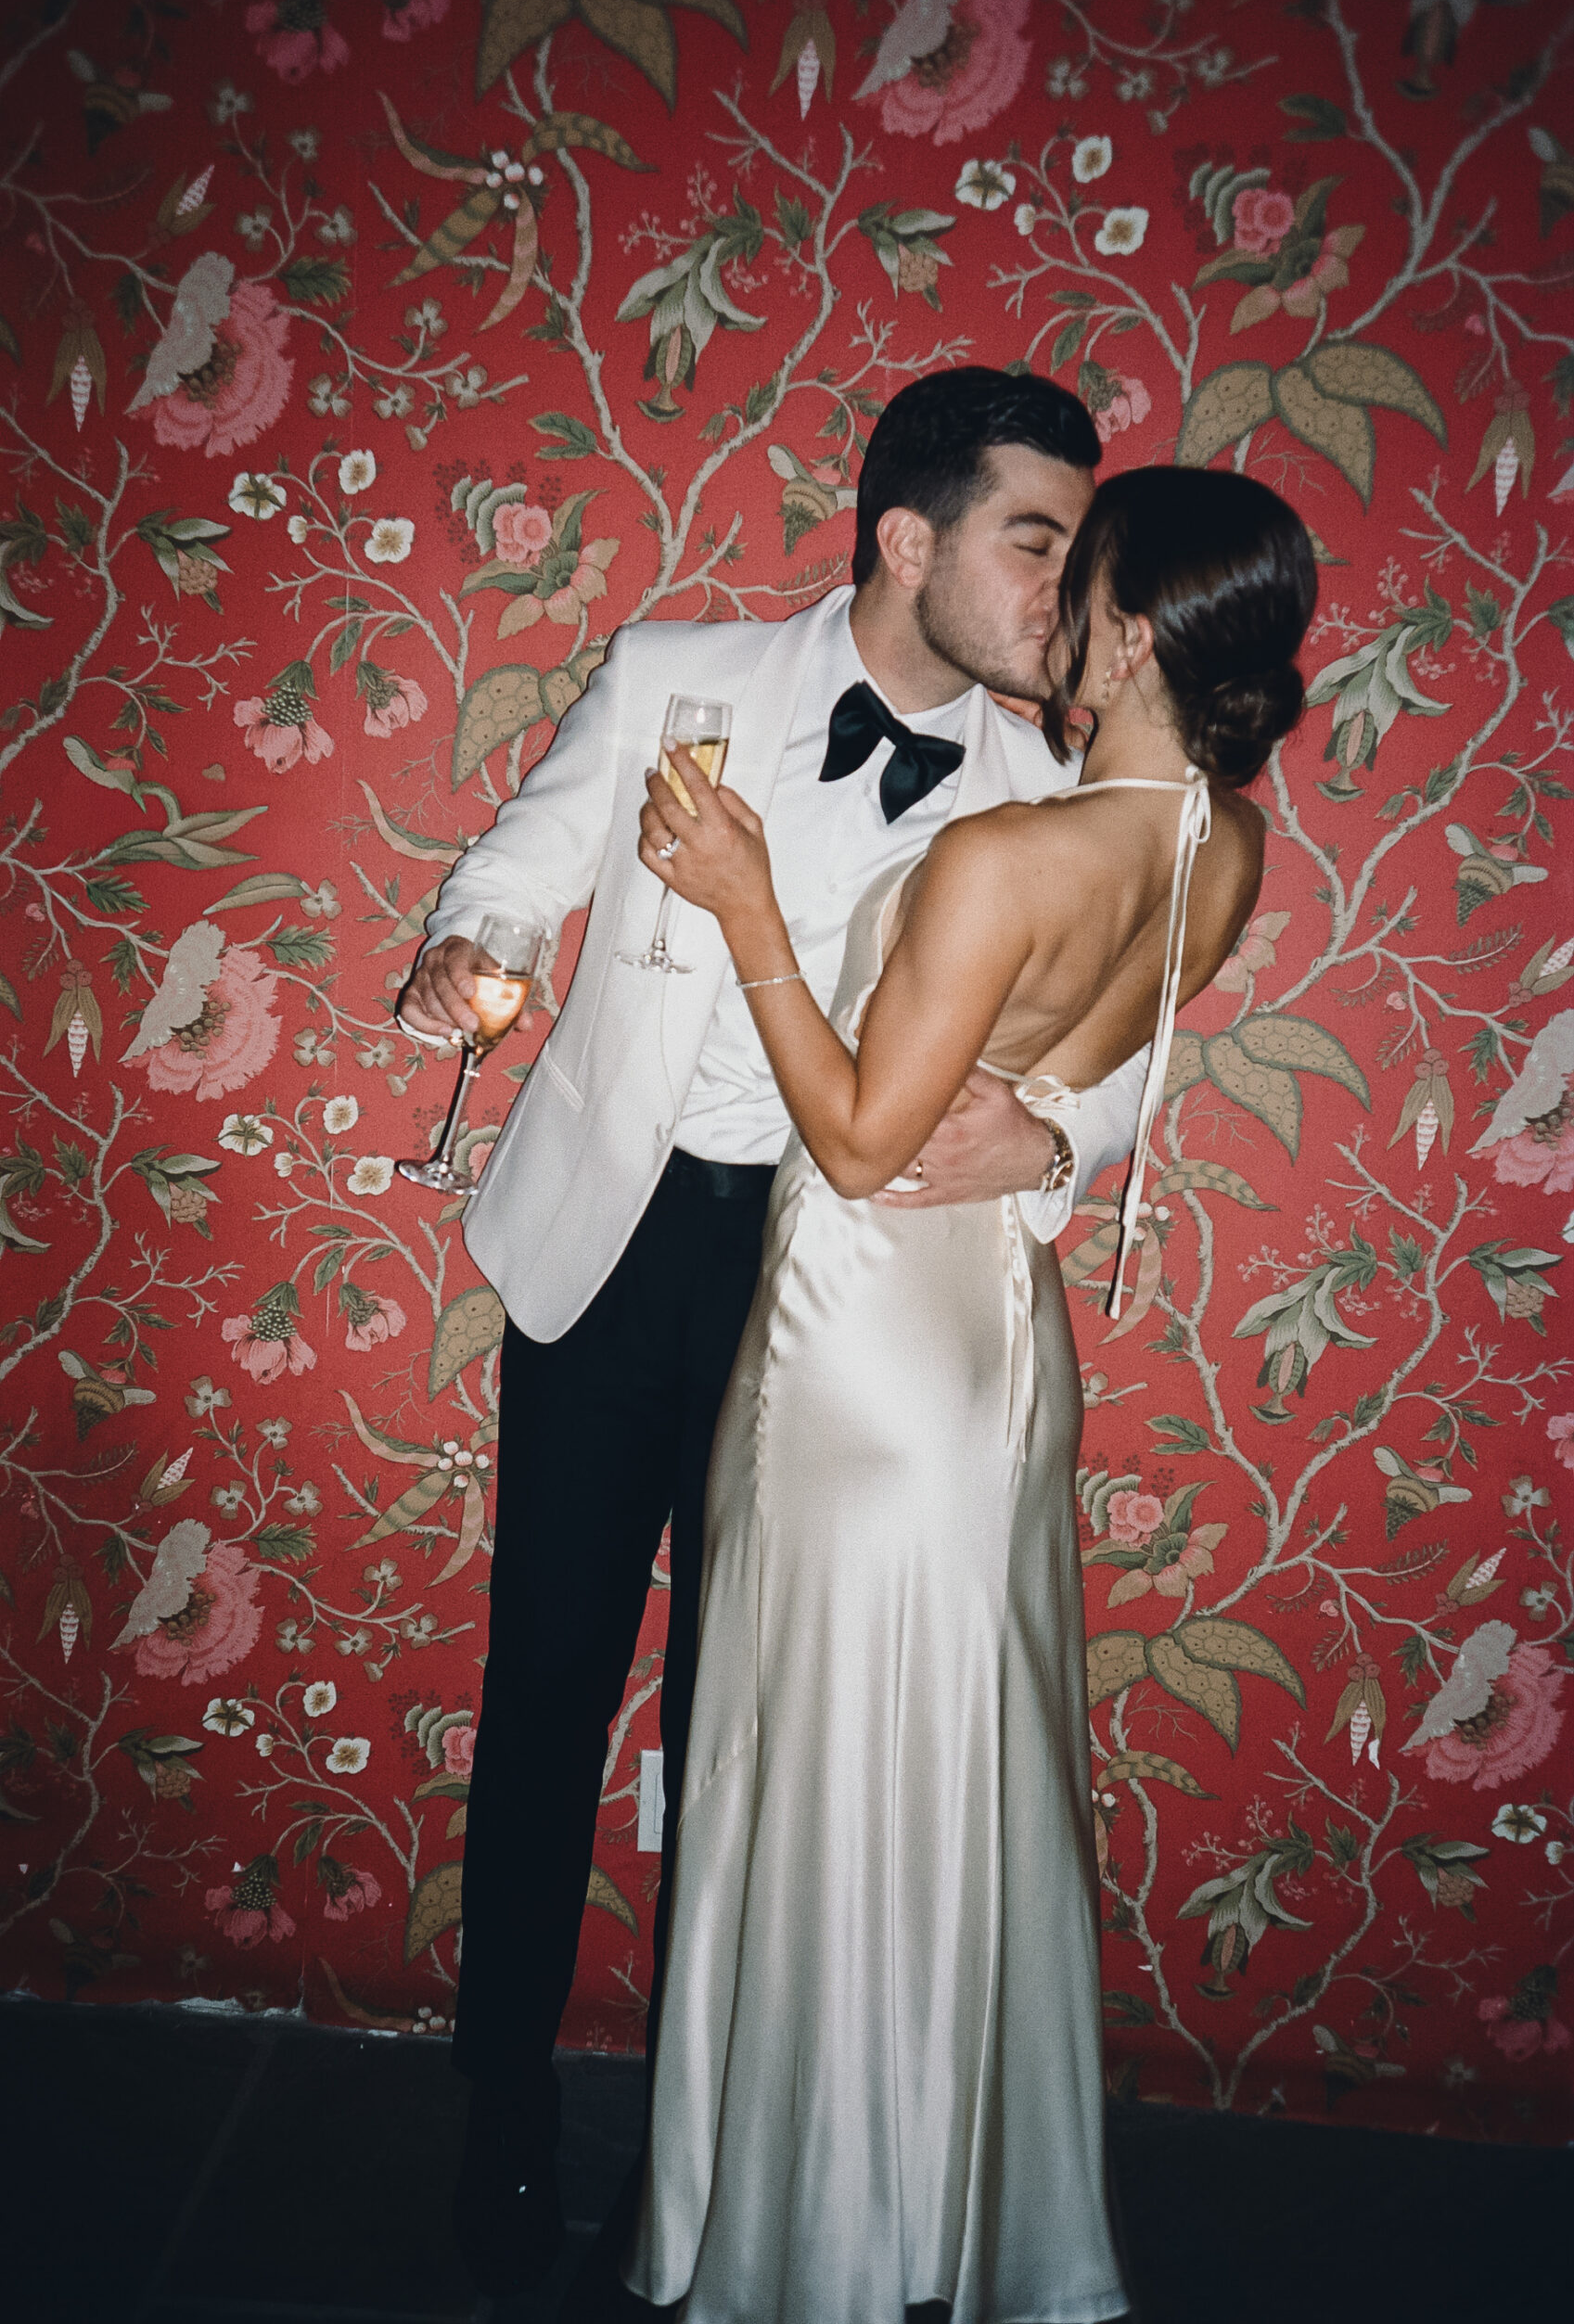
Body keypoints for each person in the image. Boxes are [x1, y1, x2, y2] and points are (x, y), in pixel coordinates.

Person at [393, 368, 1150, 2296]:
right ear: (912, 538)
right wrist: (468, 943)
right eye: (1036, 540)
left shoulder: (1056, 776)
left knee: (761, 1750)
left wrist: (1055, 1126)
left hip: (845, 1307)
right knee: (548, 1699)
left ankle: (730, 2152)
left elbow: (1140, 1025)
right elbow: (528, 852)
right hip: (623, 1251)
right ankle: (498, 2122)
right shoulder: (677, 668)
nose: (1066, 591)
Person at [621, 465, 1317, 2324]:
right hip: (1009, 1350)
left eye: (1073, 579)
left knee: (830, 1767)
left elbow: (854, 1138)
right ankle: (944, 2196)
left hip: (865, 1348)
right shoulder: (1231, 847)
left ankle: (812, 2228)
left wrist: (749, 898)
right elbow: (1062, 1089)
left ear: (1135, 622)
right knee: (962, 1776)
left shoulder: (1001, 856)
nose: (1049, 611)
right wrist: (1049, 1127)